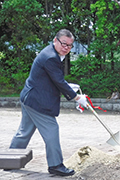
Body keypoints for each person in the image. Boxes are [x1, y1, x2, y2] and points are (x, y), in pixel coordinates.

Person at [9, 29, 88, 176]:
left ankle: (10, 160)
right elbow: (58, 81)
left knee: (24, 132)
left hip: (29, 97)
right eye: (64, 44)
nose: (66, 48)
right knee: (51, 130)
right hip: (37, 101)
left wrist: (68, 86)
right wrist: (77, 98)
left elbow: (53, 78)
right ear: (55, 40)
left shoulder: (52, 52)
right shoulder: (51, 57)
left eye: (70, 45)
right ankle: (55, 165)